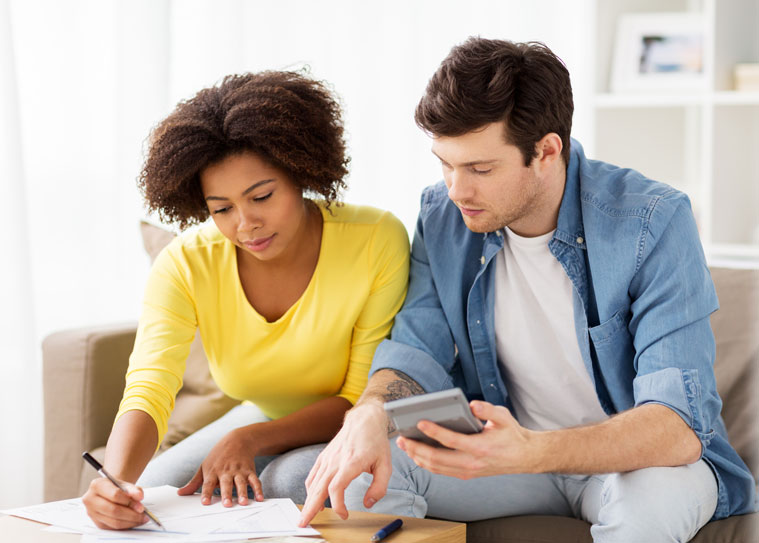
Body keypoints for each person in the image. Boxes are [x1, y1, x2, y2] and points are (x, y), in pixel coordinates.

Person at [293, 38, 758, 541]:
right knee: (359, 478)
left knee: (644, 513)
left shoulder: (652, 221)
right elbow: (414, 351)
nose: (456, 190)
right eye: (445, 163)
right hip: (508, 456)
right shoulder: (442, 216)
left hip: (635, 465)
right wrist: (368, 414)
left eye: (480, 169)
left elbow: (677, 427)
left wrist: (534, 449)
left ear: (546, 151)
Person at [81, 70, 410, 530]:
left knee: (287, 479)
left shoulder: (375, 239)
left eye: (262, 196)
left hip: (358, 425)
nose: (245, 224)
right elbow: (149, 387)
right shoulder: (185, 264)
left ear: (300, 172)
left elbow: (357, 398)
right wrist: (114, 483)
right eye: (221, 208)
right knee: (150, 493)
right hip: (267, 415)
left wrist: (250, 438)